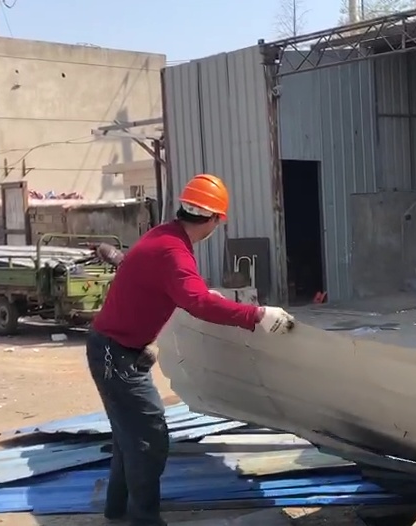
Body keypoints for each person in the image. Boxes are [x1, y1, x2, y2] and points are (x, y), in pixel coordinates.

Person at [86, 173, 295, 526]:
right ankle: (143, 520)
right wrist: (257, 315)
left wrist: (198, 293)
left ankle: (117, 512)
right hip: (115, 354)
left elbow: (179, 288)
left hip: (115, 349)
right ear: (214, 219)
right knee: (148, 437)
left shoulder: (164, 236)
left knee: (128, 436)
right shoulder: (174, 251)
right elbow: (197, 303)